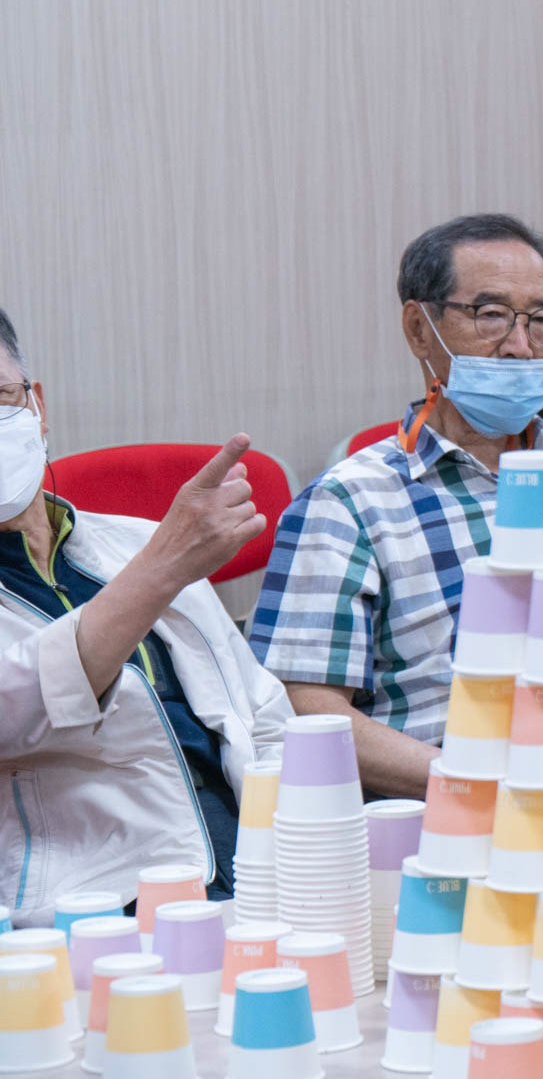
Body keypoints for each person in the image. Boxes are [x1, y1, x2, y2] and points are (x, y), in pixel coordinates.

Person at [249, 214, 543, 807]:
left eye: (541, 319)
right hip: (459, 800)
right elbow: (309, 707)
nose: (520, 346)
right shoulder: (348, 501)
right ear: (419, 329)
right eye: (491, 314)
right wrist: (492, 783)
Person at [0, 308, 290, 924]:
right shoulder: (161, 556)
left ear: (37, 406)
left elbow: (262, 713)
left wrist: (306, 847)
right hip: (97, 910)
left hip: (260, 868)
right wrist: (160, 569)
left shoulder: (137, 543)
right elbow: (19, 702)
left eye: (0, 398)